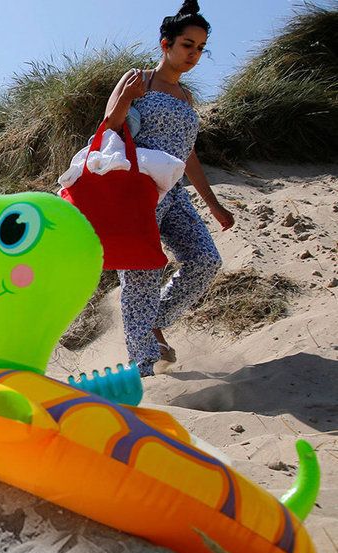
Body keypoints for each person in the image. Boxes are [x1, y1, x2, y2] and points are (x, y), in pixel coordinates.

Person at [104, 0, 234, 377]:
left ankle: (153, 323)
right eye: (187, 45)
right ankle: (142, 369)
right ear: (166, 44)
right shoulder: (138, 79)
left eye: (200, 48)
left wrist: (213, 204)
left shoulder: (186, 98)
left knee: (205, 259)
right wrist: (126, 98)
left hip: (174, 193)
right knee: (141, 273)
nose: (193, 54)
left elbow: (187, 155)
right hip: (138, 191)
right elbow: (109, 129)